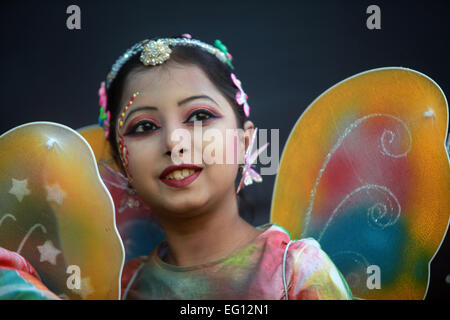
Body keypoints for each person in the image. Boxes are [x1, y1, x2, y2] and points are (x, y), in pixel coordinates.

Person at [0, 34, 352, 300]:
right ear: (122, 167)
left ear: (246, 142)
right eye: (144, 127)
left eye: (200, 116)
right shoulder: (123, 290)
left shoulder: (296, 272)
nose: (174, 142)